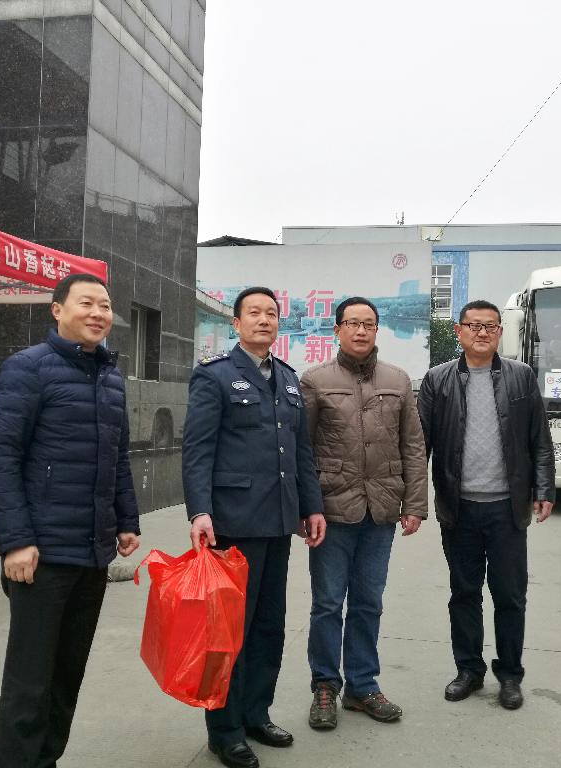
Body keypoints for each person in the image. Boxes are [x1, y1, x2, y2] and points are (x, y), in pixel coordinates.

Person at [0, 273, 140, 767]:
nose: (98, 313)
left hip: (92, 553)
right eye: (86, 303)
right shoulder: (27, 368)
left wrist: (126, 520)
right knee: (28, 684)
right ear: (57, 310)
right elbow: (1, 457)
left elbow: (116, 458)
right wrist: (15, 541)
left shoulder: (110, 378)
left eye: (105, 305)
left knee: (66, 679)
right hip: (42, 555)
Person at [182, 286, 326, 768]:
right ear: (236, 323)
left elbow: (300, 452)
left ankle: (255, 714)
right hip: (233, 523)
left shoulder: (287, 378)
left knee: (268, 626)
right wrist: (199, 510)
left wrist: (311, 507)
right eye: (254, 313)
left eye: (271, 314)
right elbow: (197, 448)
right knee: (228, 633)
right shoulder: (215, 376)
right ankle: (224, 730)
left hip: (278, 522)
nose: (264, 320)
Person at [417, 299, 555, 711]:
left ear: (499, 332)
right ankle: (469, 671)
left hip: (506, 509)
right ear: (458, 331)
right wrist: (412, 500)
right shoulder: (437, 379)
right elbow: (419, 446)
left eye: (490, 326)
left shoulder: (521, 376)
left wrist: (544, 489)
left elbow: (539, 440)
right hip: (458, 509)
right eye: (473, 325)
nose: (481, 332)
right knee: (464, 593)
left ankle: (510, 676)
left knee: (510, 596)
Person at [299, 296, 428, 729]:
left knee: (369, 602)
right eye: (352, 323)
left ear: (377, 330)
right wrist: (307, 507)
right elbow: (303, 450)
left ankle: (362, 685)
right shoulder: (315, 380)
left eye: (368, 324)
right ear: (336, 330)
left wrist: (415, 504)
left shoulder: (398, 380)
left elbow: (413, 445)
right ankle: (324, 685)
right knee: (327, 603)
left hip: (382, 509)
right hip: (332, 510)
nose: (360, 330)